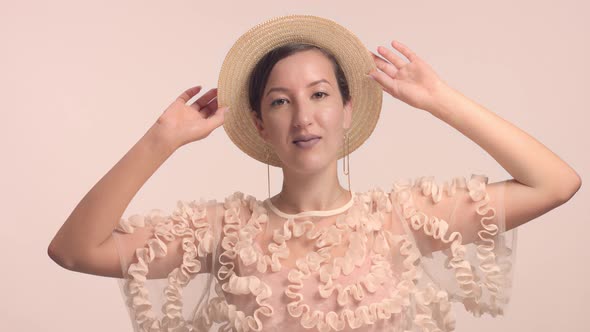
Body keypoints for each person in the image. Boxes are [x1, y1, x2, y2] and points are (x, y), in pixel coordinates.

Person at [48, 14, 581, 332]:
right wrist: (158, 141)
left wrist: (441, 101)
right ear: (259, 123)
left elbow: (556, 183)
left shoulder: (402, 220)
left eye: (320, 95)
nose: (303, 117)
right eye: (281, 102)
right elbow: (74, 250)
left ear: (347, 110)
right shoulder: (222, 231)